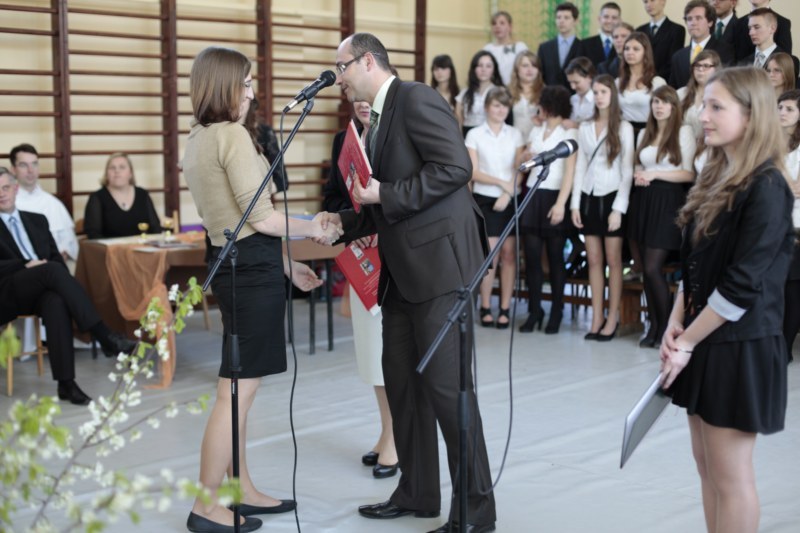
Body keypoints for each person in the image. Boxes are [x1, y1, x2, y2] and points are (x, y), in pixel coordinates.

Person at [325, 32, 496, 533]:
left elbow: (456, 168)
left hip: (442, 270)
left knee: (447, 390)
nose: (337, 78)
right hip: (400, 274)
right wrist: (341, 222)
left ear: (367, 61)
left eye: (341, 67)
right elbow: (380, 202)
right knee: (401, 382)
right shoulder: (373, 120)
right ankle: (418, 492)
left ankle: (475, 513)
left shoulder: (416, 98)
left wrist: (385, 193)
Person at [181, 46, 337, 533]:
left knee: (237, 388)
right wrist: (315, 227)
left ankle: (240, 488)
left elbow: (237, 220)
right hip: (249, 272)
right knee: (236, 392)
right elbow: (264, 218)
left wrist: (286, 265)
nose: (252, 93)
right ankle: (206, 505)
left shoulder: (198, 135)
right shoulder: (230, 135)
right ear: (225, 87)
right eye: (246, 84)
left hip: (234, 263)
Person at [662, 66, 793, 533]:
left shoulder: (768, 187)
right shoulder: (717, 175)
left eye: (716, 106)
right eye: (704, 105)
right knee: (707, 469)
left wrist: (686, 341)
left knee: (731, 477)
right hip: (705, 338)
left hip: (741, 345)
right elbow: (694, 264)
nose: (704, 115)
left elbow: (740, 285)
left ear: (751, 114)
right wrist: (675, 324)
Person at [0, 168, 136, 405]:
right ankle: (104, 335)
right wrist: (26, 264)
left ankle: (66, 384)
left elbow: (55, 258)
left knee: (56, 301)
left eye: (5, 187)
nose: (1, 194)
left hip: (40, 288)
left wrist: (47, 271)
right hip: (7, 291)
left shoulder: (37, 220)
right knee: (51, 269)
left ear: (15, 189)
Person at [321, 100, 398, 479]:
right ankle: (387, 430)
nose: (363, 103)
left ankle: (398, 438)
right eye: (356, 97)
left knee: (393, 353)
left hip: (395, 258)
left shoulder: (397, 136)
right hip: (361, 255)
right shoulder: (344, 140)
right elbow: (333, 196)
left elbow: (405, 195)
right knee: (372, 355)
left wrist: (374, 218)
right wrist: (349, 220)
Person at [630, 86, 695, 348]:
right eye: (655, 102)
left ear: (673, 106)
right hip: (644, 200)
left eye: (665, 102)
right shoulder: (645, 132)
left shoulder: (683, 132)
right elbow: (638, 164)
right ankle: (654, 326)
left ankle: (667, 327)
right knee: (644, 270)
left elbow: (689, 174)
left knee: (652, 267)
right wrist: (639, 174)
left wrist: (655, 173)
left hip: (669, 201)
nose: (659, 107)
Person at [571, 74, 634, 341]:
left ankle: (613, 317)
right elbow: (580, 166)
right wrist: (575, 204)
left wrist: (619, 208)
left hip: (612, 196)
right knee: (594, 260)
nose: (599, 97)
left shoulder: (624, 127)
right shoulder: (585, 126)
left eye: (603, 92)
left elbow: (628, 170)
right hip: (589, 195)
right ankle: (596, 316)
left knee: (613, 261)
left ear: (613, 95)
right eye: (595, 92)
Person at [466, 87, 525, 329]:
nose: (501, 110)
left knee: (509, 255)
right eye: (496, 105)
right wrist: (502, 185)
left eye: (505, 106)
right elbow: (473, 171)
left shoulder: (515, 134)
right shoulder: (474, 134)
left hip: (510, 197)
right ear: (487, 107)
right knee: (490, 256)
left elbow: (520, 169)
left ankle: (505, 308)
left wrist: (508, 193)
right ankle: (485, 306)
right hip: (485, 197)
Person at [519, 85, 576, 335]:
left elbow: (569, 172)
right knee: (532, 258)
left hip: (554, 195)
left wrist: (561, 203)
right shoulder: (536, 130)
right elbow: (527, 162)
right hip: (533, 192)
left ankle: (556, 310)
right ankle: (534, 310)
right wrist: (526, 155)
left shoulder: (568, 131)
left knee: (555, 258)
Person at [9, 144, 78, 263]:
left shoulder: (53, 203)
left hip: (56, 265)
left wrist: (63, 254)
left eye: (34, 164)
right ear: (13, 170)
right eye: (23, 165)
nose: (30, 170)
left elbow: (69, 241)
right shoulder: (7, 204)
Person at [83, 153, 162, 239]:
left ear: (130, 173)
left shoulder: (143, 195)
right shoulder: (97, 198)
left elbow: (156, 229)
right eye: (112, 168)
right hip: (111, 247)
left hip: (143, 246)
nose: (117, 171)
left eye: (122, 167)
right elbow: (93, 234)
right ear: (106, 174)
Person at [778, 89, 800, 362]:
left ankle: (785, 346)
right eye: (780, 108)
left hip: (796, 225)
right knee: (777, 287)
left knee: (792, 288)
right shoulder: (769, 144)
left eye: (789, 109)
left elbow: (796, 188)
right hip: (773, 223)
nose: (782, 112)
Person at [668, 0, 733, 89]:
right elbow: (673, 89)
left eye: (698, 18)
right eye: (689, 19)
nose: (693, 23)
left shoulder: (725, 51)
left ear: (710, 22)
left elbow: (728, 84)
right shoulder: (678, 56)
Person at [617, 32, 667, 137]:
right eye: (627, 48)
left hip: (649, 133)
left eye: (636, 49)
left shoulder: (657, 82)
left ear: (645, 53)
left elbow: (666, 114)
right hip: (622, 133)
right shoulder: (617, 82)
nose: (630, 52)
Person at [455, 50, 503, 137]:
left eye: (488, 66)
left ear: (494, 70)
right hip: (467, 135)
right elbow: (458, 120)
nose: (483, 69)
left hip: (491, 136)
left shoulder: (500, 92)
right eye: (480, 65)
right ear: (474, 69)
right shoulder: (464, 93)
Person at [537, 2, 584, 91]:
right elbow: (539, 75)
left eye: (566, 18)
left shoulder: (583, 47)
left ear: (575, 21)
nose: (561, 21)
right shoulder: (544, 48)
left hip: (575, 95)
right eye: (558, 17)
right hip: (549, 95)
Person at [636, 0, 686, 82]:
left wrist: (655, 79)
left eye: (652, 0)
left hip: (665, 82)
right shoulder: (639, 30)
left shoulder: (677, 30)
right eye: (645, 2)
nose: (649, 5)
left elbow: (673, 62)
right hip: (641, 81)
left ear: (663, 1)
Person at [678, 50, 722, 138]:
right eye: (697, 66)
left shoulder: (724, 95)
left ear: (716, 69)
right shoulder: (681, 93)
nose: (701, 69)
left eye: (706, 66)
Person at [482, 11, 529, 85]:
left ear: (510, 27)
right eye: (494, 24)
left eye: (502, 23)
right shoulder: (488, 48)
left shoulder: (520, 47)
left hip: (515, 88)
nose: (497, 26)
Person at [509, 50, 544, 141]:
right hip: (512, 141)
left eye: (534, 66)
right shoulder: (507, 92)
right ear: (517, 69)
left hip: (537, 141)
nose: (530, 70)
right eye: (525, 66)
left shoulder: (546, 92)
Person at [582, 2, 622, 66]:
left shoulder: (625, 45)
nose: (609, 21)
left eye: (614, 18)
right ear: (599, 19)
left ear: (619, 21)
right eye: (606, 17)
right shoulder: (584, 44)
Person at [565, 57, 597, 125]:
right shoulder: (572, 99)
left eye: (576, 82)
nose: (572, 87)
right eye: (570, 82)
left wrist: (576, 125)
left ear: (589, 78)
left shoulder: (597, 100)